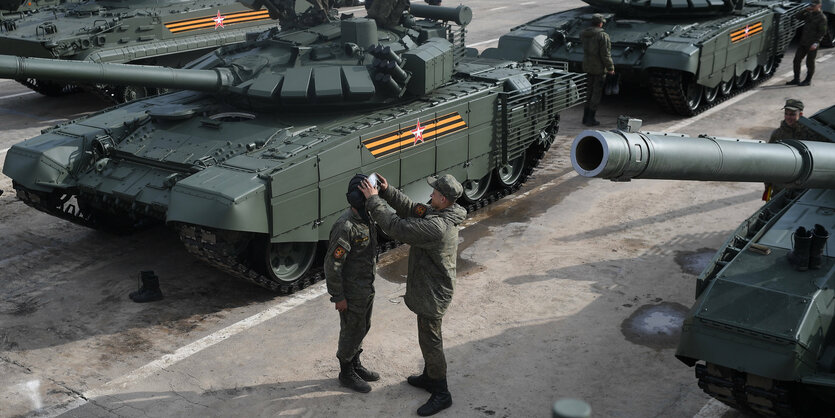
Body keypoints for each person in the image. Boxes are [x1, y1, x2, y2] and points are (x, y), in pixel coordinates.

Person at [359, 173, 467, 416]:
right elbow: (411, 209)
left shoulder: (436, 227)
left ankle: (441, 392)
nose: (430, 196)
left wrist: (374, 200)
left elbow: (396, 226)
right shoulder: (439, 212)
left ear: (443, 198)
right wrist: (387, 191)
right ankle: (430, 377)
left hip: (433, 292)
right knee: (426, 337)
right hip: (429, 287)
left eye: (433, 193)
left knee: (431, 341)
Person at [325, 174, 380, 393]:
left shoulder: (366, 218)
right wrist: (338, 296)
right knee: (350, 331)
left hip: (366, 286)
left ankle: (355, 364)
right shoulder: (346, 226)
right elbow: (332, 265)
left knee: (362, 327)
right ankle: (346, 372)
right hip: (351, 291)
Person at [581, 13, 615, 127]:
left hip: (588, 66)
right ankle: (591, 119)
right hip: (599, 69)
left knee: (589, 92)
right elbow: (605, 55)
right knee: (596, 93)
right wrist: (610, 68)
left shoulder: (584, 34)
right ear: (600, 23)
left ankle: (585, 117)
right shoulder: (602, 36)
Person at [786, 0, 828, 87]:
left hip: (812, 43)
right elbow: (797, 17)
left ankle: (808, 80)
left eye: (814, 5)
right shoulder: (809, 14)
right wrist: (805, 10)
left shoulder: (822, 18)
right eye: (812, 5)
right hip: (803, 42)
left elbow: (822, 32)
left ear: (819, 5)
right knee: (796, 60)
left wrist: (816, 43)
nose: (813, 7)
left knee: (810, 62)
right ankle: (796, 79)